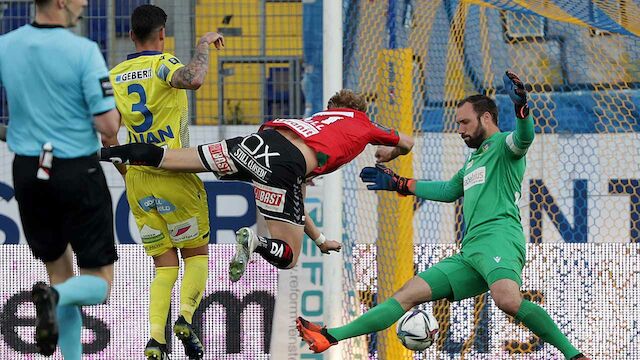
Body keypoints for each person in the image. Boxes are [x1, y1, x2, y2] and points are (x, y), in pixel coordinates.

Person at [296, 72, 590, 360]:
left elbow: (524, 138)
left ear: (486, 118)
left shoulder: (503, 147)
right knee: (407, 293)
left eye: (465, 122)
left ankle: (574, 356)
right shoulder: (475, 159)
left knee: (507, 300)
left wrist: (521, 108)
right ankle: (330, 335)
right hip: (471, 252)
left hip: (499, 239)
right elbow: (450, 189)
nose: (460, 129)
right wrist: (402, 184)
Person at [100, 89, 414, 282]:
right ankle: (257, 242)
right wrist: (391, 151)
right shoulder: (363, 123)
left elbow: (295, 208)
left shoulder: (318, 119)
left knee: (172, 158)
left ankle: (99, 153)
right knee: (289, 257)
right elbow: (408, 141)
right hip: (283, 165)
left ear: (332, 106)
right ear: (361, 111)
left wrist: (320, 240)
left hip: (257, 143)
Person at [0, 0, 121, 359]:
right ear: (60, 2)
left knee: (59, 272)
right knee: (98, 285)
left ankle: (61, 322)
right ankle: (53, 298)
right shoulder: (83, 51)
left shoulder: (7, 46)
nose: (85, 2)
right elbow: (108, 125)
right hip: (75, 170)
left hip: (27, 171)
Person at [108, 5, 224, 360]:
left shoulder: (114, 75)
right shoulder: (164, 64)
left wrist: (125, 173)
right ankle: (186, 318)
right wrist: (204, 43)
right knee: (196, 255)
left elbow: (110, 132)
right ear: (162, 34)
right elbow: (193, 79)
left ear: (131, 35)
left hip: (138, 181)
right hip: (174, 170)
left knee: (164, 265)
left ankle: (156, 339)